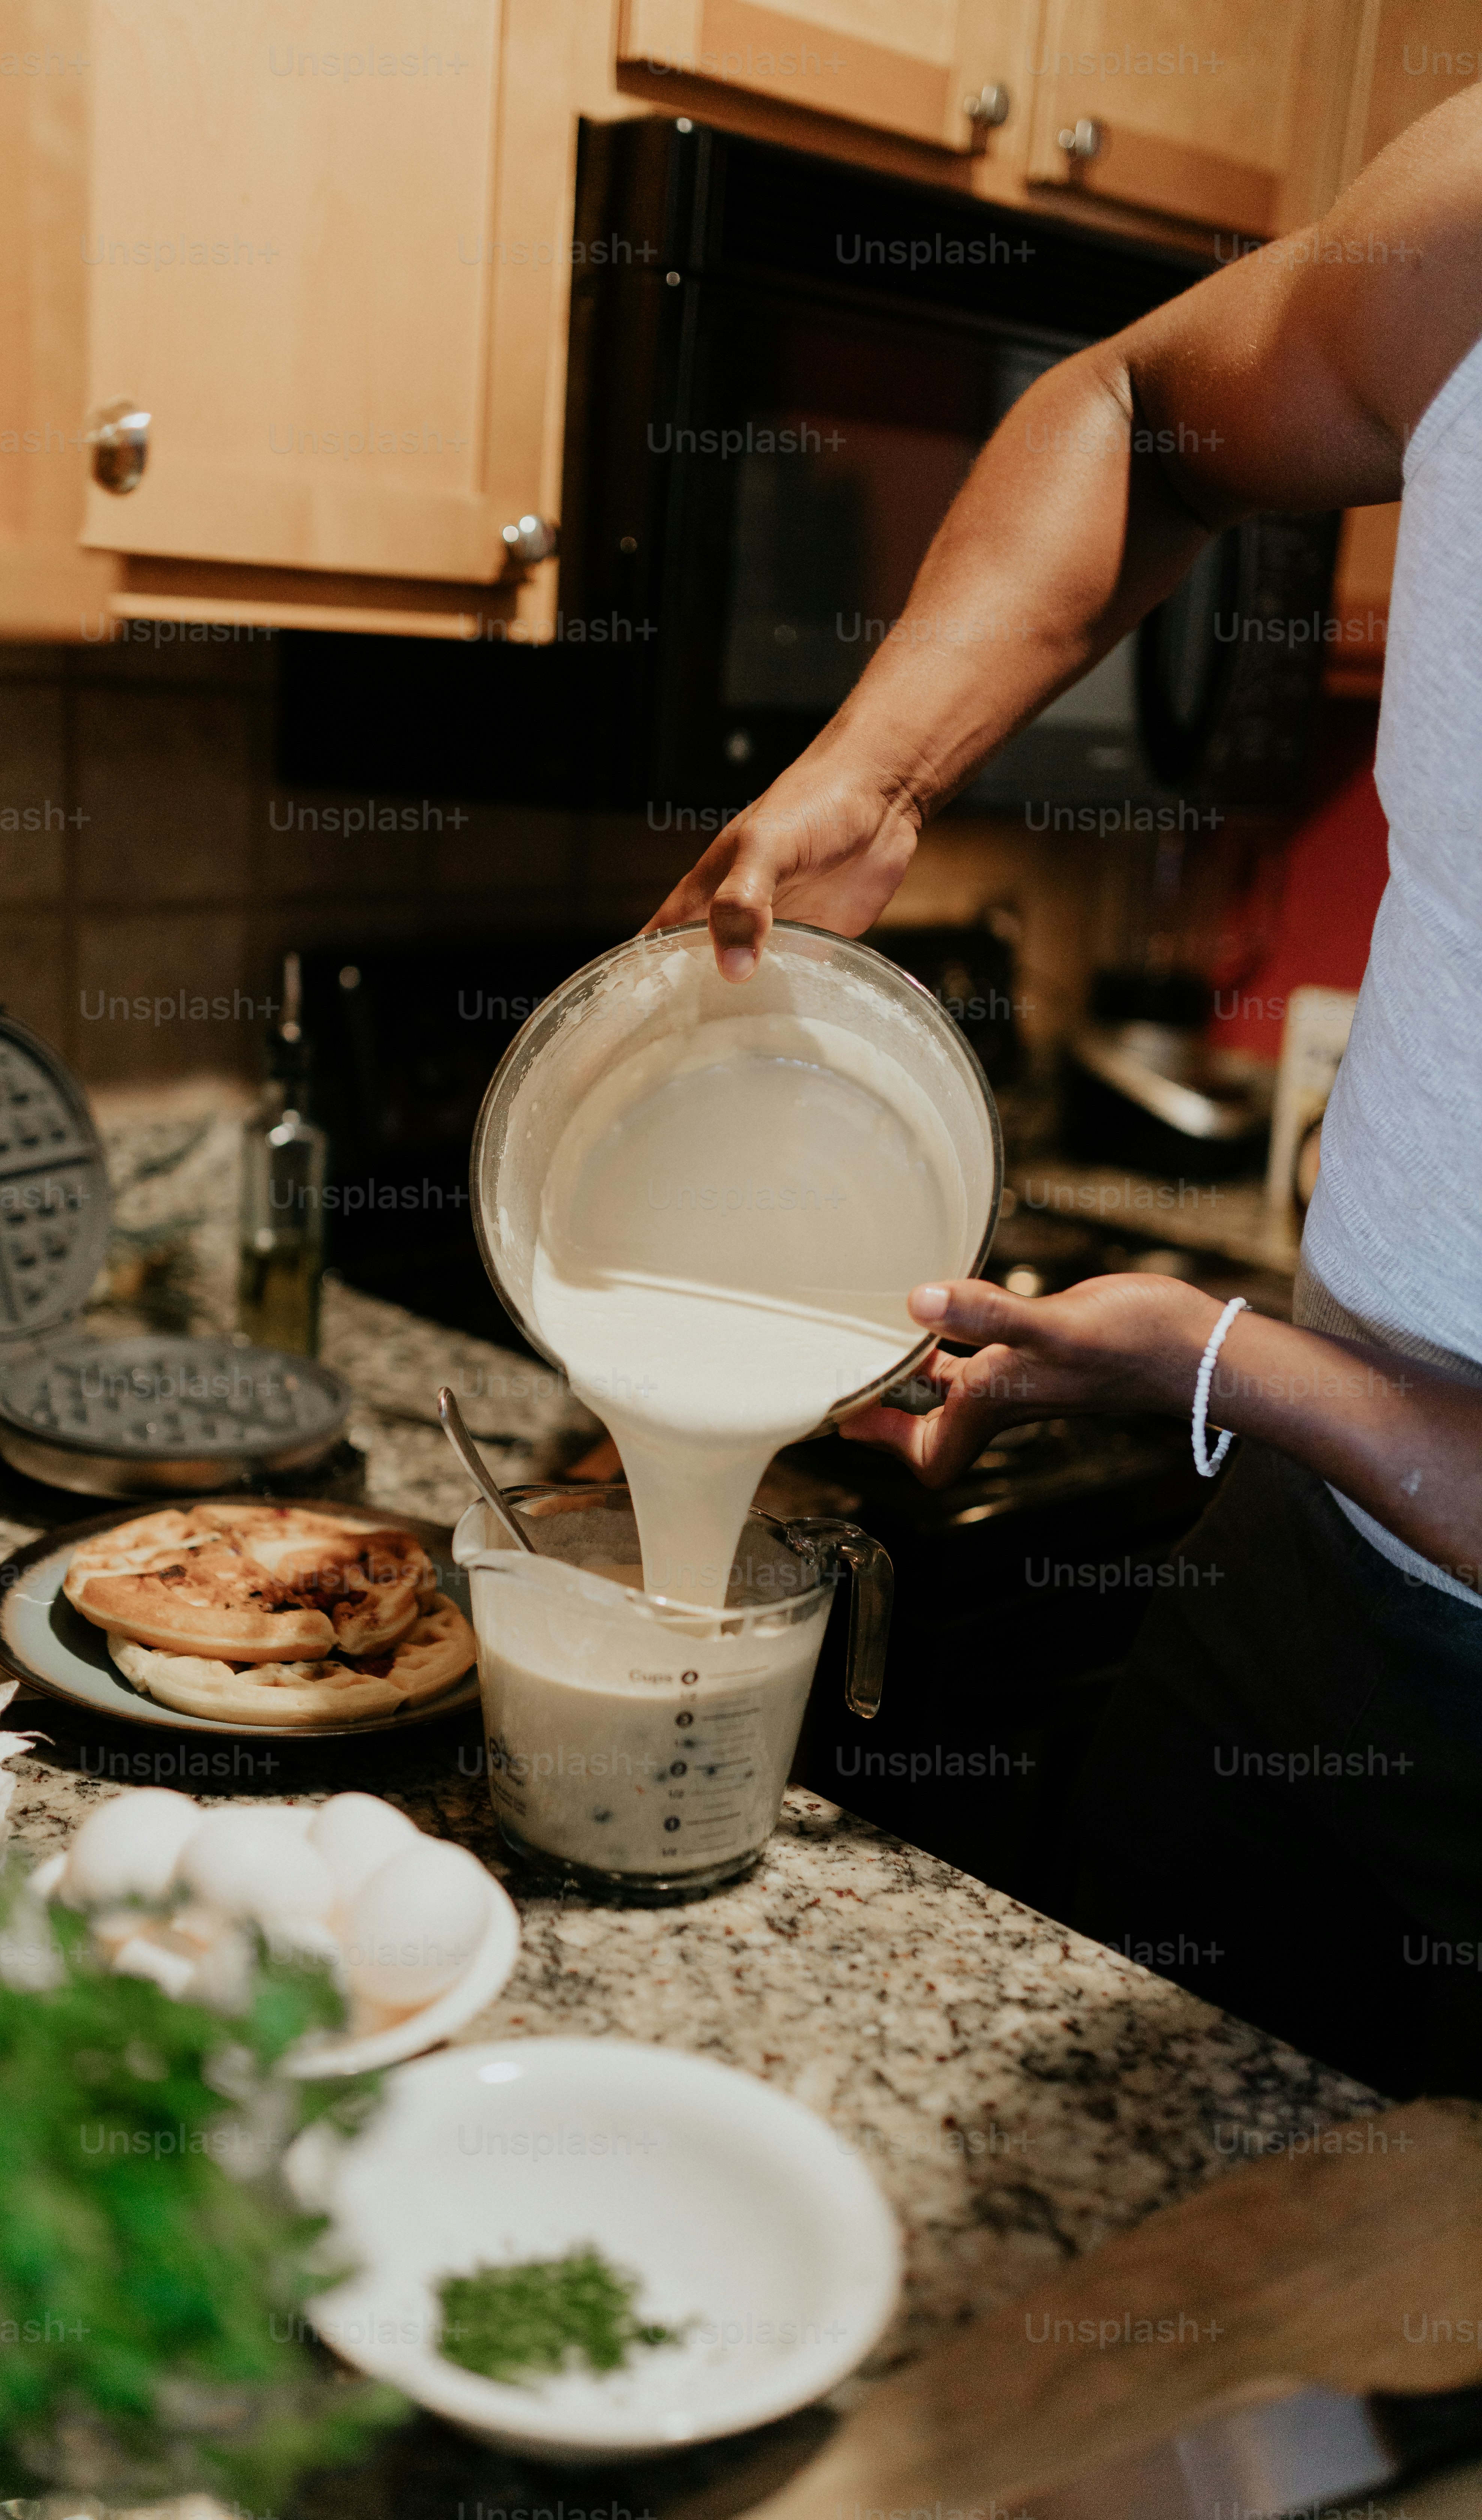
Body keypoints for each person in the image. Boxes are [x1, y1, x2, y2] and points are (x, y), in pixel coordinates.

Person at [646, 86, 1482, 2098]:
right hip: (1297, 1579)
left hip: (1330, 1467)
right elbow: (1132, 413)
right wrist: (881, 776)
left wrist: (1219, 1363)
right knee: (1103, 2251)